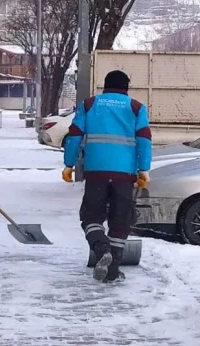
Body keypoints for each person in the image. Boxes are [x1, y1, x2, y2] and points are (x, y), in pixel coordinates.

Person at [62, 70, 152, 283]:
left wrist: (68, 164)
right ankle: (112, 271)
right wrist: (143, 169)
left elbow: (74, 135)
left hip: (96, 172)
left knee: (91, 217)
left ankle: (102, 249)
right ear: (126, 87)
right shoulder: (136, 108)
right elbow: (145, 140)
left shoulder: (89, 104)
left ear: (105, 85)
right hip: (125, 174)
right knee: (121, 221)